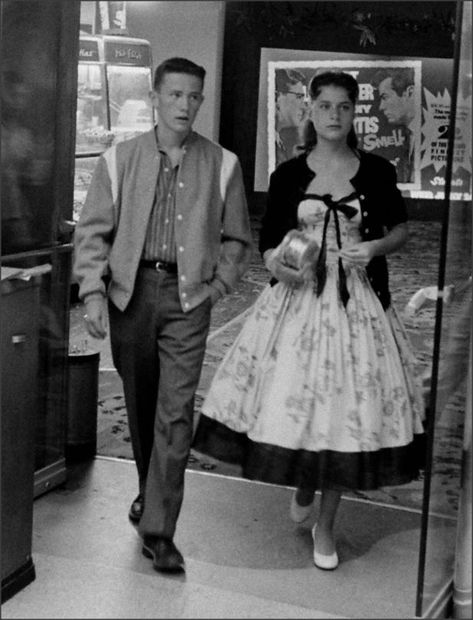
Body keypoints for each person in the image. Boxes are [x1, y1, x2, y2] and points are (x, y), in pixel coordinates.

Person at [193, 71, 425, 570]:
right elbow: (271, 238)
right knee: (298, 400)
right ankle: (304, 478)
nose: (334, 116)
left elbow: (401, 229)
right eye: (325, 106)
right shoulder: (287, 175)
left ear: (354, 113)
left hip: (356, 303)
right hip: (297, 303)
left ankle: (326, 524)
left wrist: (375, 246)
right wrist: (278, 262)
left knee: (346, 409)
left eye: (344, 107)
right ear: (311, 111)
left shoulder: (378, 172)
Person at [73, 57, 252, 573]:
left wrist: (219, 284)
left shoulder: (223, 164)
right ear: (155, 97)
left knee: (175, 414)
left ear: (201, 100)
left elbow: (238, 239)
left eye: (194, 96)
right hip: (130, 296)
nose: (185, 105)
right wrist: (91, 294)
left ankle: (159, 530)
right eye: (174, 94)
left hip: (188, 300)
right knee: (141, 403)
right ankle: (145, 490)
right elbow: (91, 234)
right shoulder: (119, 159)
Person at [372, 68, 416, 183]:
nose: (381, 107)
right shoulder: (410, 136)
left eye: (385, 97)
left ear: (410, 93)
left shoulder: (423, 135)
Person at [275, 68, 308, 166]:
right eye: (298, 97)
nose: (303, 106)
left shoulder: (279, 144)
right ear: (277, 97)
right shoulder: (264, 147)